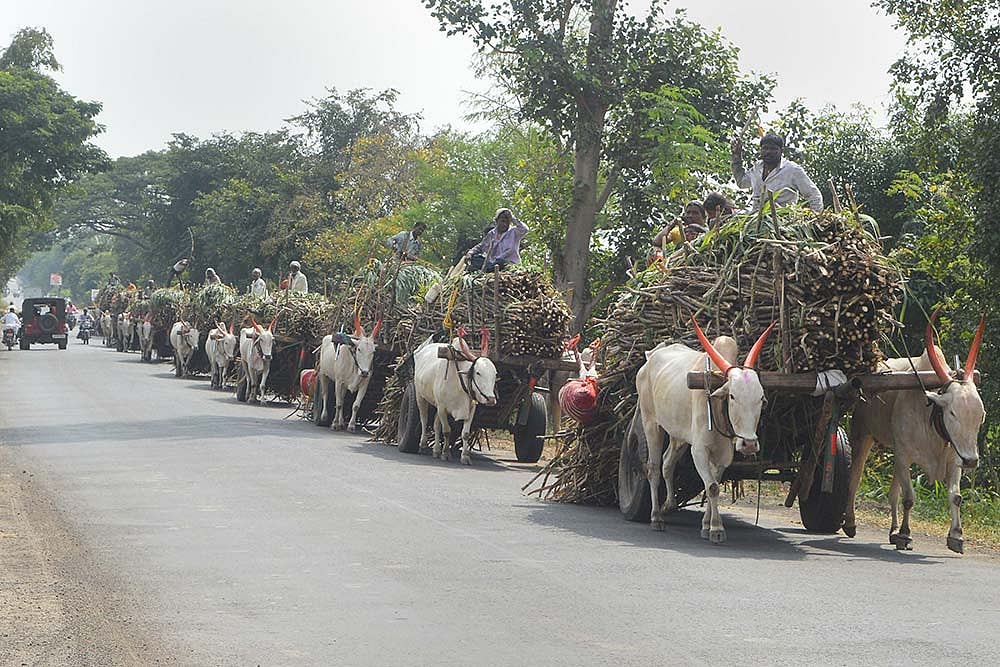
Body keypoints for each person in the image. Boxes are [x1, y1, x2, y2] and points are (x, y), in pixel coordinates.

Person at [731, 132, 823, 213]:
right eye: (765, 148)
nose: (768, 152)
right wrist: (736, 157)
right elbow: (742, 182)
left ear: (781, 151)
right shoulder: (757, 168)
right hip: (755, 220)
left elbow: (814, 195)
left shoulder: (792, 170)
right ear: (761, 150)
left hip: (783, 222)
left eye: (773, 149)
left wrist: (814, 220)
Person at [464, 208, 529, 271]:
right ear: (496, 221)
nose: (505, 224)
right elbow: (481, 246)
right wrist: (470, 253)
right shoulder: (491, 234)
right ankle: (488, 268)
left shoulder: (514, 231)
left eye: (507, 222)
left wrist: (512, 218)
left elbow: (525, 229)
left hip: (508, 264)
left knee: (500, 261)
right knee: (476, 258)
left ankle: (488, 269)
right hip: (492, 263)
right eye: (502, 221)